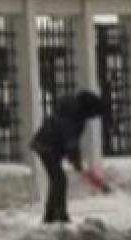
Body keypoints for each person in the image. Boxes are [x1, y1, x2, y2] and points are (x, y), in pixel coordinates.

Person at [30, 90, 111, 224]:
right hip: (46, 146)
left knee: (57, 179)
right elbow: (70, 140)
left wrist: (75, 159)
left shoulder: (74, 113)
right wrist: (75, 160)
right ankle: (58, 214)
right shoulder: (72, 116)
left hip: (50, 146)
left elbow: (72, 142)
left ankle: (52, 214)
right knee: (59, 179)